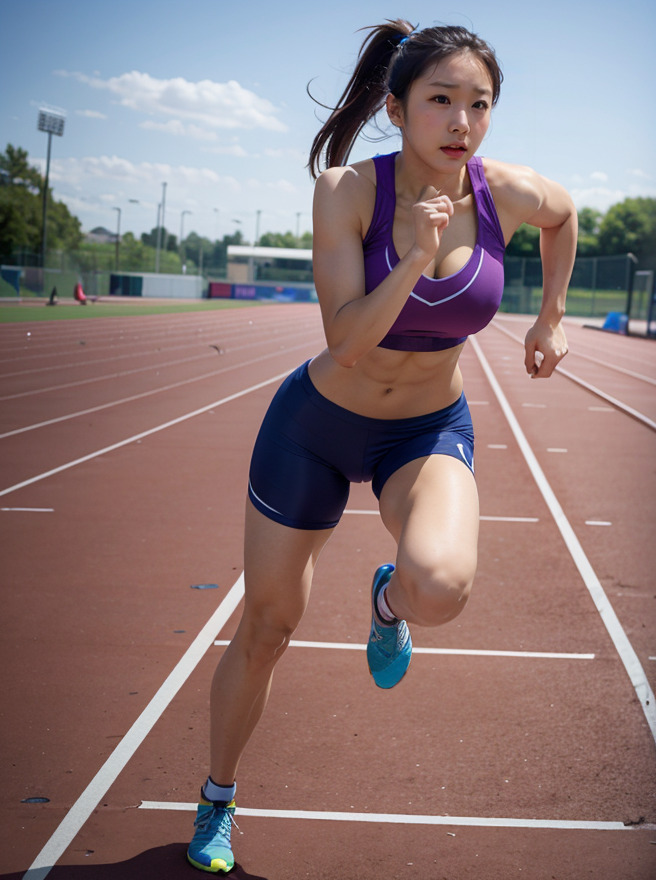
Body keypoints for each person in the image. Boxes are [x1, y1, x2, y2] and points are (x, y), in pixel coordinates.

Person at [187, 18, 576, 873]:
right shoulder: (347, 191)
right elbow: (347, 340)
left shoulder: (502, 192)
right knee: (267, 627)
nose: (461, 123)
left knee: (440, 587)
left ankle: (387, 607)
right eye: (441, 100)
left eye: (479, 104)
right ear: (397, 109)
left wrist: (549, 316)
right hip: (317, 428)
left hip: (428, 428)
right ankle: (217, 800)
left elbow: (566, 214)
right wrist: (416, 258)